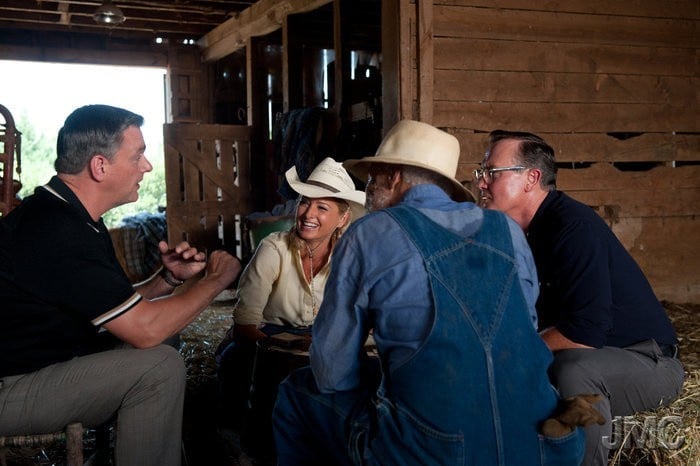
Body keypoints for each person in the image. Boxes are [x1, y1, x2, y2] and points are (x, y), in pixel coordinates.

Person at [271, 120, 586, 465]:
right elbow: (519, 330)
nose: (370, 189)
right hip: (542, 445)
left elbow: (332, 374)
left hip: (435, 450)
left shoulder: (370, 233)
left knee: (295, 392)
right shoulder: (507, 231)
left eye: (374, 178)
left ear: (393, 176)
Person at [0, 104, 242, 466]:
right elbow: (144, 330)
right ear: (100, 166)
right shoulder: (57, 230)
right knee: (158, 365)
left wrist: (168, 279)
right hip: (11, 388)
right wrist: (215, 281)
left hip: (40, 366)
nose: (146, 166)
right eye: (138, 155)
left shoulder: (71, 215)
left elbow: (116, 305)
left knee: (165, 339)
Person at [476, 129, 684, 465]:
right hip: (595, 354)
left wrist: (513, 352)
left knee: (574, 371)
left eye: (492, 173)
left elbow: (585, 332)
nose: (482, 183)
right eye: (481, 173)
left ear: (531, 178)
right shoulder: (516, 235)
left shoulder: (573, 227)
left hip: (648, 362)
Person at [215, 157, 365, 454]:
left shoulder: (351, 257)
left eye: (322, 207)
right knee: (238, 363)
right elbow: (244, 325)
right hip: (266, 339)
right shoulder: (274, 248)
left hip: (324, 341)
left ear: (343, 219)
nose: (308, 213)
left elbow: (359, 319)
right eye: (304, 203)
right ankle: (248, 444)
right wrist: (292, 348)